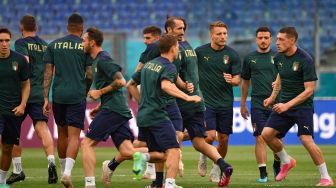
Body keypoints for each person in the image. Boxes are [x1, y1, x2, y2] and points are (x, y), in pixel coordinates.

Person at [165, 17, 233, 187]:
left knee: (171, 139)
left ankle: (167, 180)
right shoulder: (189, 47)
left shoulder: (177, 49)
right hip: (197, 101)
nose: (182, 31)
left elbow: (172, 76)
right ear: (169, 30)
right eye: (179, 28)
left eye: (183, 28)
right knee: (199, 141)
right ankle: (224, 165)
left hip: (180, 101)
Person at [262, 26, 334, 186]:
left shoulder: (305, 59)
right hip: (284, 104)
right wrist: (272, 97)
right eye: (277, 39)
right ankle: (287, 161)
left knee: (306, 139)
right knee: (266, 134)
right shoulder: (279, 57)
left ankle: (326, 177)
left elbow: (309, 90)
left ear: (292, 40)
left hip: (302, 106)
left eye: (281, 39)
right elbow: (280, 76)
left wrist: (287, 105)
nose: (277, 42)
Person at [131, 34, 201, 188]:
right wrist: (188, 98)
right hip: (158, 115)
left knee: (161, 154)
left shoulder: (149, 65)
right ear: (173, 48)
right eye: (177, 47)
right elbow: (166, 86)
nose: (178, 50)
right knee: (174, 150)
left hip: (143, 115)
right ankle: (169, 184)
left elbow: (130, 84)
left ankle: (143, 157)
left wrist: (141, 102)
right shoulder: (169, 66)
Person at [81, 27, 143, 188]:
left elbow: (121, 82)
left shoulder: (103, 60)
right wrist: (101, 106)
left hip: (114, 110)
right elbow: (113, 90)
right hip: (116, 108)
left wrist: (99, 92)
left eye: (84, 40)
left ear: (92, 42)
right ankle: (165, 154)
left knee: (86, 144)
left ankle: (89, 184)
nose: (82, 43)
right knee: (127, 151)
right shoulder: (97, 61)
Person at [6, 15, 57, 185]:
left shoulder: (21, 43)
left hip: (20, 94)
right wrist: (45, 96)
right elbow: (52, 71)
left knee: (13, 132)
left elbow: (23, 63)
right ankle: (51, 162)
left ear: (21, 28)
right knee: (42, 128)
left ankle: (18, 170)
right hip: (39, 94)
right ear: (36, 27)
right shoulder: (45, 45)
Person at [43, 13, 92, 188]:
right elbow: (90, 74)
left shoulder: (53, 45)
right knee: (74, 136)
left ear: (67, 26)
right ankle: (67, 173)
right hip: (76, 95)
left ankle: (63, 169)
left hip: (58, 96)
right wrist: (85, 89)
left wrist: (45, 98)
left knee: (62, 134)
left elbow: (48, 73)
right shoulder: (84, 46)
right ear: (82, 28)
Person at [195, 21, 241, 182]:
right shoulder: (199, 52)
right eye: (219, 34)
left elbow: (237, 80)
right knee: (209, 136)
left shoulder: (232, 55)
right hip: (206, 102)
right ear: (211, 35)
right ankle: (203, 154)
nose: (223, 37)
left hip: (226, 103)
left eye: (225, 34)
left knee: (224, 139)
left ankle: (216, 169)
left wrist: (232, 80)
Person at [240, 26, 281, 183]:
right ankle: (263, 174)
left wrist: (279, 85)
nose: (263, 40)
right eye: (260, 38)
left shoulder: (279, 57)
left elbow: (287, 78)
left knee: (276, 138)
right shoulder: (250, 59)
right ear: (256, 39)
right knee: (260, 137)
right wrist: (243, 104)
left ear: (271, 39)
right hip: (257, 104)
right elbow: (245, 83)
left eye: (266, 37)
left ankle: (277, 163)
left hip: (277, 103)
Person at [0, 28, 30, 187]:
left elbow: (26, 84)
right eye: (0, 41)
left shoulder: (19, 60)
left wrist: (23, 104)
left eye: (6, 40)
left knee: (7, 148)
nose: (4, 44)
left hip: (13, 111)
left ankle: (2, 182)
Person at [132, 25, 162, 181]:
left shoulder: (154, 47)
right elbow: (138, 69)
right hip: (155, 95)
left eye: (148, 38)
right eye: (144, 38)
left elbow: (138, 69)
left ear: (157, 37)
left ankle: (149, 168)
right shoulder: (157, 47)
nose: (145, 41)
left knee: (147, 137)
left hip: (148, 93)